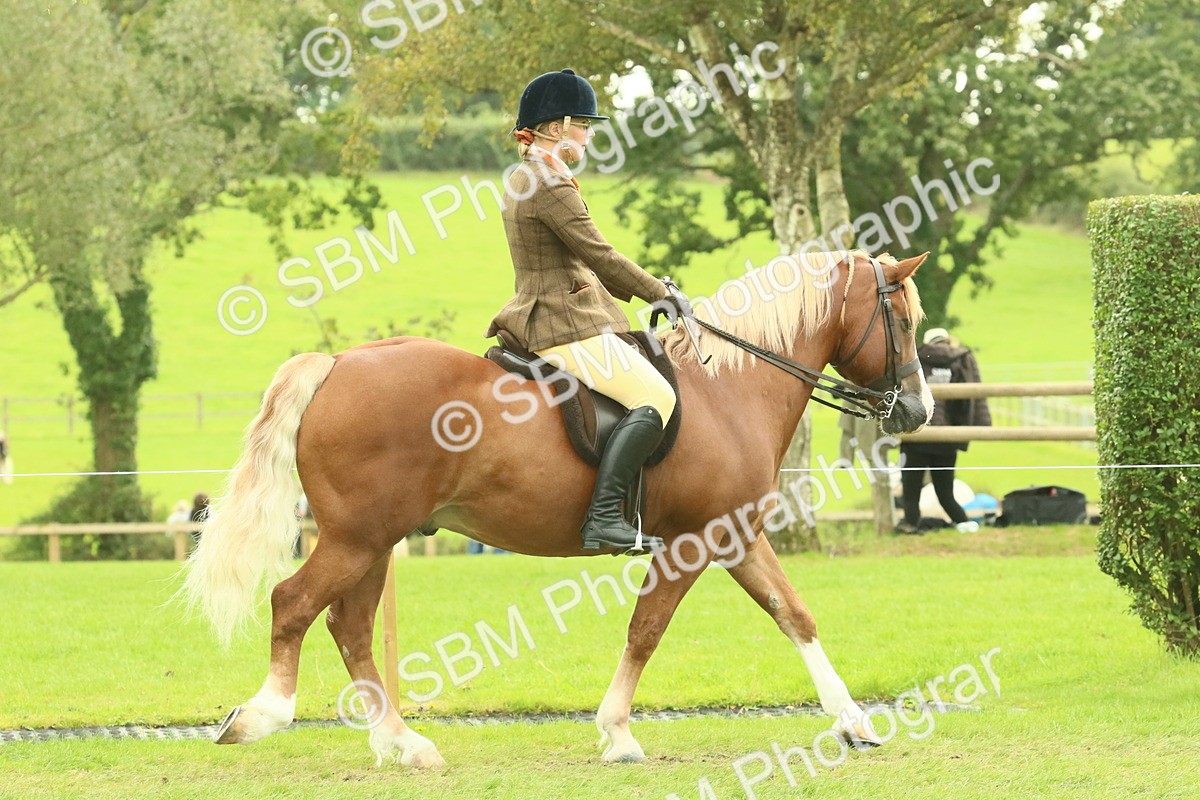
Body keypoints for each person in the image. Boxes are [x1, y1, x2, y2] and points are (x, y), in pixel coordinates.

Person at [487, 68, 692, 554]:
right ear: (555, 127)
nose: (591, 132)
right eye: (584, 122)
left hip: (559, 312)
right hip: (563, 323)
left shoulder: (531, 176)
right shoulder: (547, 183)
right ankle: (604, 519)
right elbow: (600, 254)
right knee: (657, 397)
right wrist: (658, 291)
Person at [898, 328, 991, 534]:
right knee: (945, 492)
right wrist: (974, 429)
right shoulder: (962, 359)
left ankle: (910, 526)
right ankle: (964, 524)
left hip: (916, 434)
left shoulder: (915, 357)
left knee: (911, 491)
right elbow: (976, 400)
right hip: (948, 437)